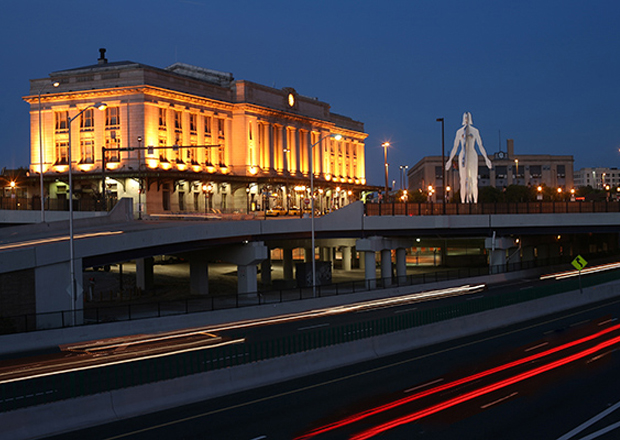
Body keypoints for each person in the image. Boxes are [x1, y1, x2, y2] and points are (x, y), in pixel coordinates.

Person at [445, 112, 492, 203]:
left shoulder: (475, 131)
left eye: (468, 117)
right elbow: (455, 147)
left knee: (474, 180)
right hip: (463, 156)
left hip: (472, 155)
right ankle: (463, 202)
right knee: (462, 181)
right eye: (465, 117)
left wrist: (486, 158)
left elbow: (480, 145)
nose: (466, 119)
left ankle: (475, 202)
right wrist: (450, 160)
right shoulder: (459, 132)